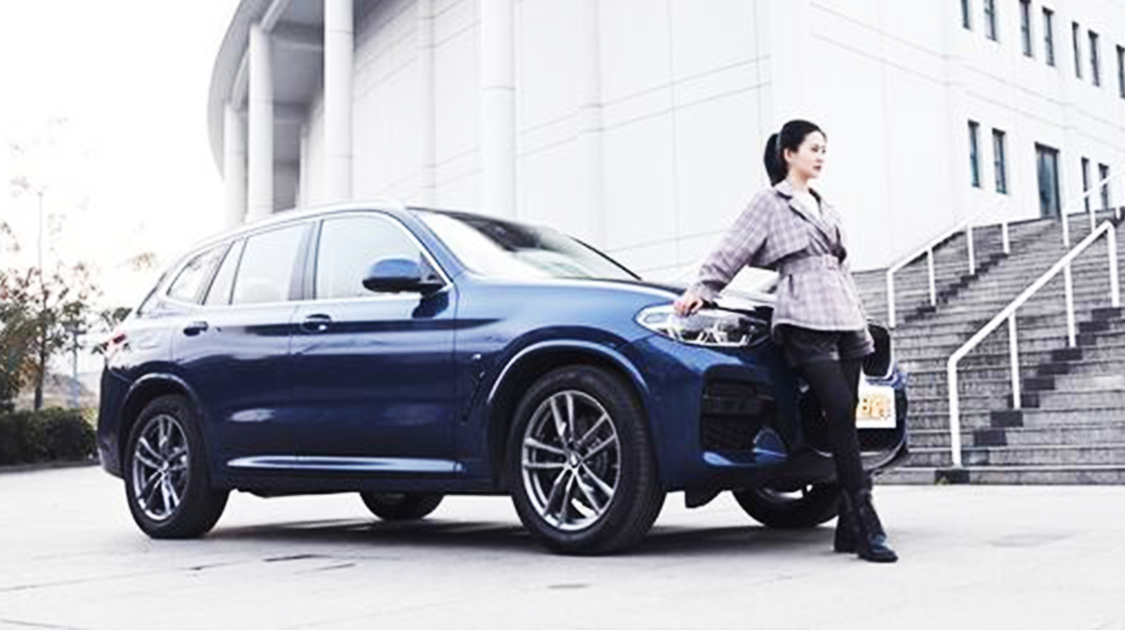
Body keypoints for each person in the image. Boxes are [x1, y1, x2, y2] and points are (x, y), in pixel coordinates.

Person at [673, 119, 898, 563]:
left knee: (846, 417)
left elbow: (843, 266)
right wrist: (703, 288)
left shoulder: (827, 207)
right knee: (837, 408)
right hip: (803, 310)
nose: (821, 156)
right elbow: (733, 246)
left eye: (824, 149)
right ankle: (865, 518)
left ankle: (848, 526)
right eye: (813, 148)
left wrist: (859, 315)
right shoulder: (770, 202)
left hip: (845, 313)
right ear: (788, 153)